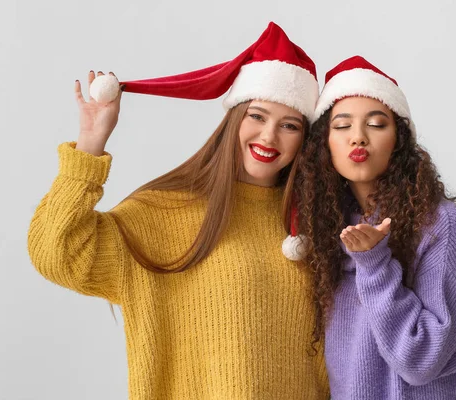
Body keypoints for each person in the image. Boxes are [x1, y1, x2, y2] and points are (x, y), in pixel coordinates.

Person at [28, 22, 329, 399]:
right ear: (233, 119)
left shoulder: (311, 230)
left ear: (304, 138)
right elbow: (57, 252)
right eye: (256, 116)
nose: (269, 136)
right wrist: (90, 144)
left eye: (289, 125)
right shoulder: (163, 213)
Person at [294, 56, 456, 399]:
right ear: (323, 144)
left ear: (399, 140)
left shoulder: (440, 224)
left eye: (376, 124)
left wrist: (374, 263)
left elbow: (421, 358)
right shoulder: (326, 229)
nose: (358, 138)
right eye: (342, 126)